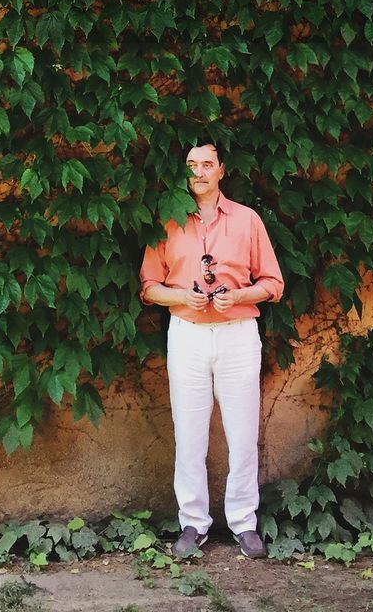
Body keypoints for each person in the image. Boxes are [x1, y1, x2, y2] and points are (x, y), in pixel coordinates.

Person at [138, 131, 285, 560]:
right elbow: (149, 287)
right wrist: (182, 296)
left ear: (221, 171)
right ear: (184, 173)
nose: (200, 172)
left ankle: (244, 523)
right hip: (186, 334)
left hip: (238, 334)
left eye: (207, 164)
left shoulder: (247, 220)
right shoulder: (168, 220)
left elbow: (273, 283)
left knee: (242, 435)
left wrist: (237, 295)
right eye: (192, 165)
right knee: (189, 436)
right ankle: (193, 524)